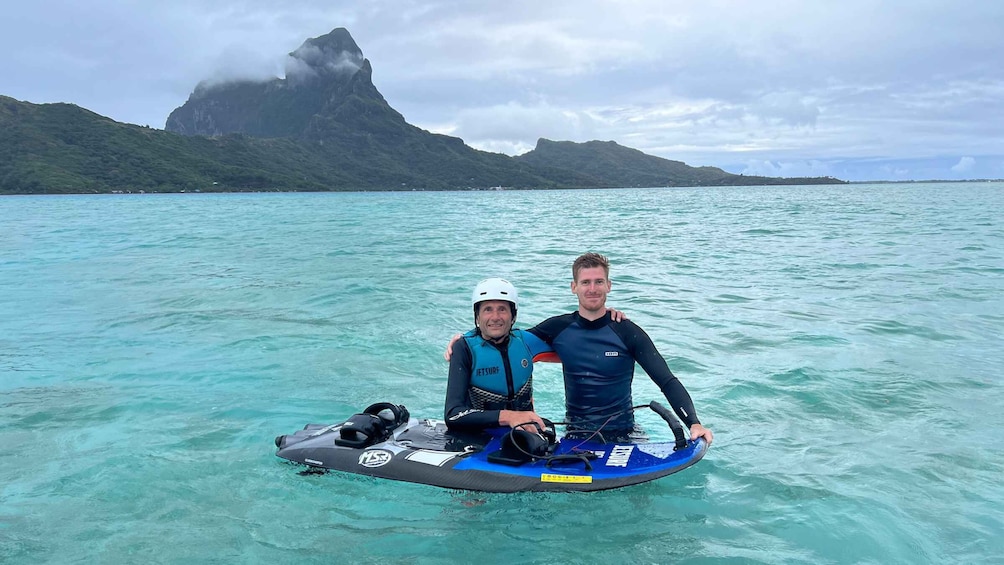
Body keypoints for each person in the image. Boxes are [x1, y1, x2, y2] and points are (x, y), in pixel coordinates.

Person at [447, 254, 713, 446]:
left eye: (599, 281)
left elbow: (665, 379)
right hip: (576, 433)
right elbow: (502, 338)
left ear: (609, 286)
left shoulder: (628, 331)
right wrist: (462, 341)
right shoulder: (557, 328)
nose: (593, 288)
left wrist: (694, 423)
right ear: (574, 287)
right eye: (586, 282)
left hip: (625, 432)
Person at [443, 278, 550, 432]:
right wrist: (510, 417)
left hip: (525, 433)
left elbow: (574, 332)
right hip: (478, 436)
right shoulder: (464, 348)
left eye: (502, 309)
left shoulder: (526, 341)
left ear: (513, 316)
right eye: (488, 309)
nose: (495, 317)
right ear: (477, 316)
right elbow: (453, 415)